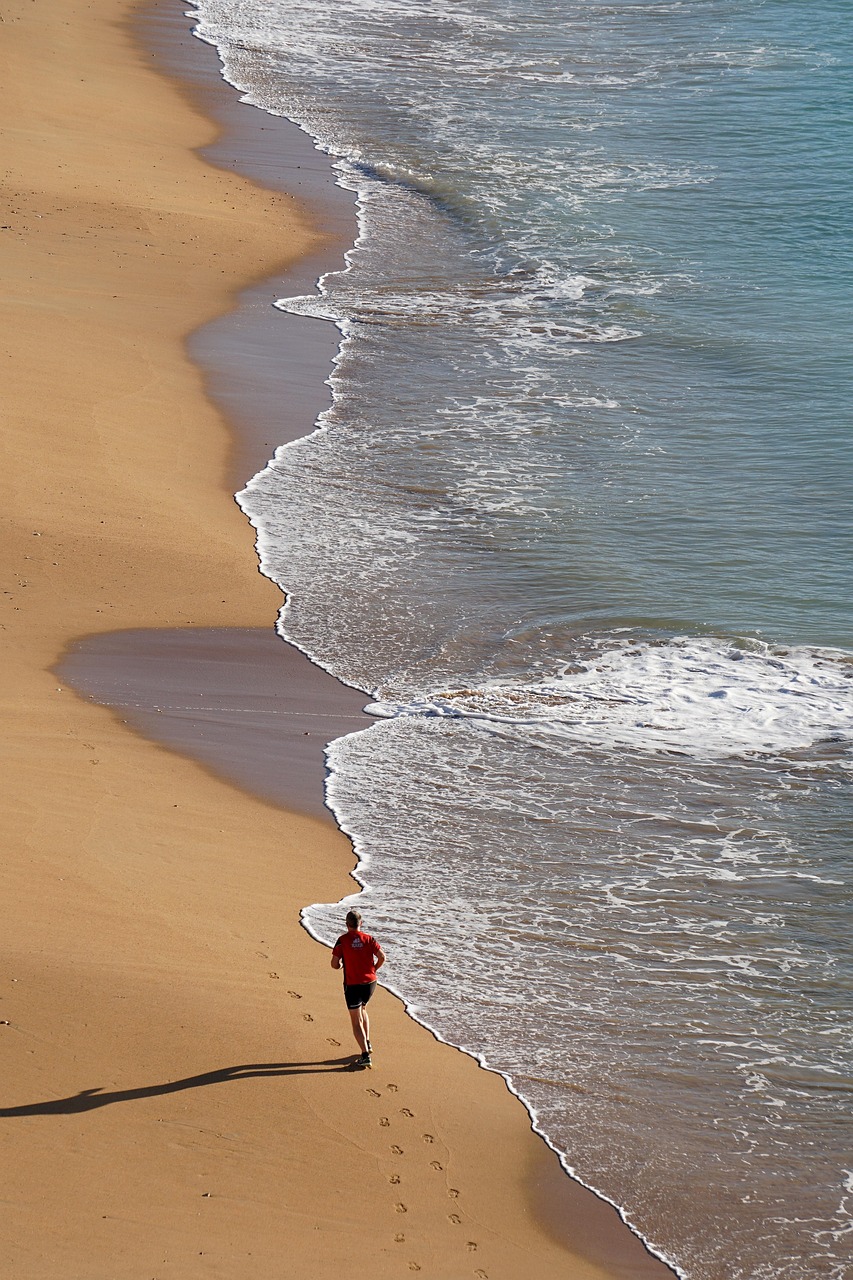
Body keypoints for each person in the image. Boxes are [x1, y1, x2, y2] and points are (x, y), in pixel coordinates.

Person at [331, 909, 385, 1067]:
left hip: (353, 984)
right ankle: (367, 1042)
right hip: (370, 983)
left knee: (355, 1021)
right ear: (361, 923)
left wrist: (340, 964)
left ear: (347, 924)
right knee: (363, 1009)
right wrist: (374, 969)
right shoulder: (369, 939)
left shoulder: (342, 940)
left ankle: (365, 1054)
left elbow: (334, 964)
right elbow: (382, 957)